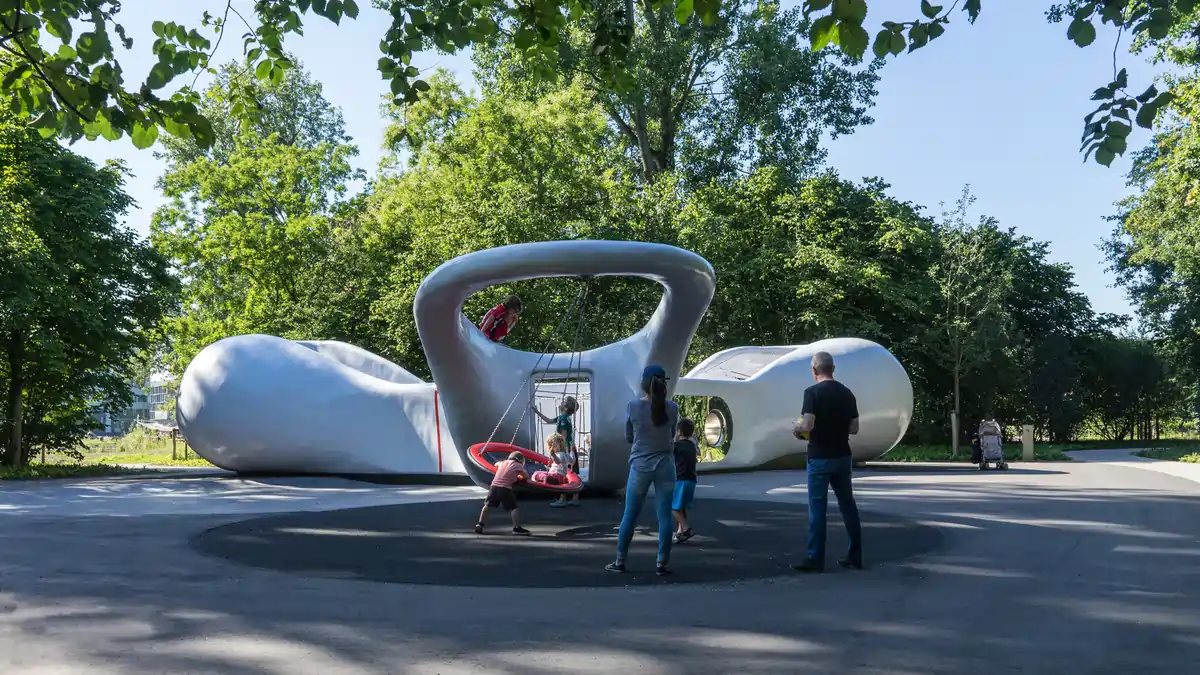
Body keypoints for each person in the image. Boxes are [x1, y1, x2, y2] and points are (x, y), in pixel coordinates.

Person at [791, 351, 863, 573]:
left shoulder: (811, 393)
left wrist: (797, 428)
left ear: (814, 371)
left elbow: (808, 424)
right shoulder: (847, 393)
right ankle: (855, 555)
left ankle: (815, 558)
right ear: (833, 368)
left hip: (820, 456)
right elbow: (855, 428)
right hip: (843, 455)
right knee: (847, 505)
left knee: (818, 508)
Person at [606, 364, 678, 576]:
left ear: (644, 384)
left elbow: (629, 435)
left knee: (630, 515)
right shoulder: (672, 408)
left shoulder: (633, 406)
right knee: (664, 516)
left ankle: (620, 561)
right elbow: (672, 433)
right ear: (664, 384)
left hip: (640, 465)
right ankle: (662, 563)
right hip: (665, 464)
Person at [532, 397, 581, 507]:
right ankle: (575, 498)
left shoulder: (563, 419)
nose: (561, 402)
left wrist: (559, 449)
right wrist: (537, 412)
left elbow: (562, 436)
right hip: (571, 447)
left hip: (566, 448)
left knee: (564, 472)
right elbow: (549, 420)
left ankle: (562, 498)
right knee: (572, 472)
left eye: (563, 402)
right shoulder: (564, 418)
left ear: (566, 407)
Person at [475, 451, 532, 536]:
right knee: (514, 508)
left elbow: (496, 464)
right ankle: (516, 527)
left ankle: (480, 523)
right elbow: (526, 477)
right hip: (505, 488)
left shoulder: (502, 462)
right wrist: (519, 476)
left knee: (487, 505)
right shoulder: (518, 465)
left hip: (494, 487)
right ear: (520, 460)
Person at [671, 417, 698, 544]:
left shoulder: (676, 446)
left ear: (679, 432)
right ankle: (680, 532)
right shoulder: (692, 446)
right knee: (681, 506)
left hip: (680, 479)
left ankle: (686, 528)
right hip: (691, 480)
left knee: (673, 507)